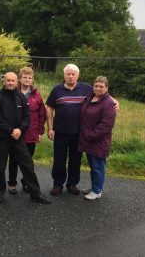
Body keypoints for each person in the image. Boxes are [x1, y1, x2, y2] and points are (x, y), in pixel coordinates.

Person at [0, 72, 51, 204]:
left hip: (18, 138)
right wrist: (11, 130)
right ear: (4, 81)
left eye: (13, 81)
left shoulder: (21, 97)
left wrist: (19, 130)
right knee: (0, 166)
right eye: (8, 80)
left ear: (17, 82)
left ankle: (35, 193)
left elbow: (27, 117)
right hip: (2, 138)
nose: (11, 83)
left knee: (28, 164)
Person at [45, 64, 92, 196]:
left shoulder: (87, 88)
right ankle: (58, 184)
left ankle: (72, 184)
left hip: (79, 132)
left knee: (75, 160)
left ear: (78, 75)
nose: (70, 77)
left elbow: (102, 94)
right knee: (59, 159)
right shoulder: (57, 90)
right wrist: (50, 128)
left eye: (73, 74)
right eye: (68, 74)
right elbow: (49, 108)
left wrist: (113, 100)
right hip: (60, 132)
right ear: (64, 75)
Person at [7, 67, 46, 194]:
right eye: (25, 77)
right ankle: (12, 183)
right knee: (13, 160)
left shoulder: (36, 95)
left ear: (32, 79)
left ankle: (26, 182)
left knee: (28, 161)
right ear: (20, 79)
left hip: (31, 133)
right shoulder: (13, 92)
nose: (27, 79)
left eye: (30, 77)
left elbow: (42, 114)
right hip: (16, 133)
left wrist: (40, 132)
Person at [79, 76, 117, 200]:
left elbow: (106, 125)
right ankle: (95, 187)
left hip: (99, 141)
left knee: (98, 167)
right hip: (88, 140)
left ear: (106, 88)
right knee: (93, 166)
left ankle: (97, 191)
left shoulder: (109, 103)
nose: (98, 88)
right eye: (96, 86)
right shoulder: (89, 98)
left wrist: (91, 135)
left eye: (101, 86)